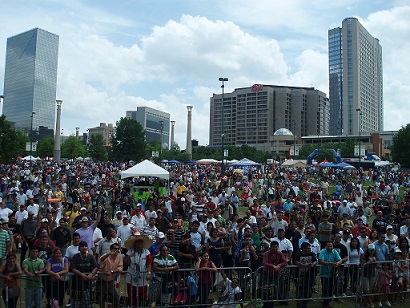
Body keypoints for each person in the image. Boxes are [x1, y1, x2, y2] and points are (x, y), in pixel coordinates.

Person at [124, 232, 153, 308]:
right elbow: (126, 264)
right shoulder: (129, 252)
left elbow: (149, 263)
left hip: (142, 276)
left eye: (141, 243)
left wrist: (149, 273)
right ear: (135, 243)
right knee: (131, 295)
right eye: (138, 243)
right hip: (131, 276)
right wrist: (129, 257)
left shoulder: (147, 252)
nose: (140, 244)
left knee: (142, 295)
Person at [70, 241, 99, 308]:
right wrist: (81, 274)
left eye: (85, 246)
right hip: (76, 285)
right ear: (79, 248)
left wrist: (91, 274)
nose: (84, 248)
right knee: (76, 303)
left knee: (87, 303)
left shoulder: (91, 256)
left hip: (87, 285)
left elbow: (96, 267)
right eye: (82, 246)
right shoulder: (75, 257)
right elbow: (73, 268)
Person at [262, 241, 288, 308]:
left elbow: (285, 262)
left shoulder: (280, 253)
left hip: (276, 274)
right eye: (273, 247)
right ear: (270, 247)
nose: (275, 248)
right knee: (266, 291)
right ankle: (266, 305)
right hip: (267, 274)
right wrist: (273, 266)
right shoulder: (266, 254)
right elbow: (264, 263)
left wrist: (279, 265)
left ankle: (272, 304)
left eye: (276, 247)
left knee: (274, 290)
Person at [97, 243, 123, 308]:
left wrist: (112, 271)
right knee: (100, 299)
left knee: (115, 299)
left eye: (118, 249)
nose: (117, 250)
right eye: (115, 249)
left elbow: (120, 268)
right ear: (111, 249)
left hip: (111, 281)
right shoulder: (106, 255)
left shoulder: (119, 256)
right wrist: (109, 254)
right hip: (101, 281)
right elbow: (101, 261)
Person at [318, 241, 342, 308]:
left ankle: (328, 302)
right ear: (326, 246)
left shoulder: (334, 252)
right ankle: (325, 303)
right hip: (324, 274)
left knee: (331, 289)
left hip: (332, 273)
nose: (330, 248)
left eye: (331, 246)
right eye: (328, 246)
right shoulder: (322, 251)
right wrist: (330, 263)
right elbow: (320, 261)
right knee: (325, 288)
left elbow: (340, 260)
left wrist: (337, 263)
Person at [294, 242, 317, 308]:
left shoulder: (312, 254)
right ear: (303, 249)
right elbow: (296, 262)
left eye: (309, 248)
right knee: (299, 291)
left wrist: (312, 264)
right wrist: (305, 265)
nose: (309, 250)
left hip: (309, 275)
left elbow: (315, 260)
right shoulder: (298, 254)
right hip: (300, 275)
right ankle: (300, 305)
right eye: (307, 248)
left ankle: (304, 303)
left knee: (309, 291)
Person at [361, 243, 378, 308]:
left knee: (370, 290)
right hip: (365, 275)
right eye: (370, 250)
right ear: (368, 250)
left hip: (372, 274)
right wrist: (368, 262)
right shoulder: (364, 257)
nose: (371, 252)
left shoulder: (375, 257)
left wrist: (375, 262)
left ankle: (366, 302)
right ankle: (371, 303)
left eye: (373, 250)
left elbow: (377, 266)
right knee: (367, 289)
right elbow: (363, 266)